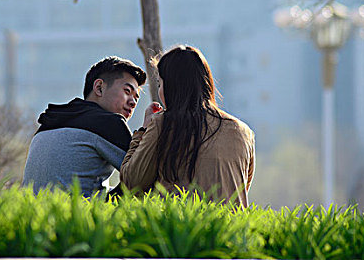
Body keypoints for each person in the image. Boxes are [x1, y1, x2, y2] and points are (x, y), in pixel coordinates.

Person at [120, 45, 255, 206]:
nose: (159, 91)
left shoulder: (163, 123)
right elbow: (238, 189)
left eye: (159, 84)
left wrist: (143, 131)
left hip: (182, 229)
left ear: (171, 87)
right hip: (229, 229)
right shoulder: (243, 131)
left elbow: (133, 183)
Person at [22, 56, 146, 197]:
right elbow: (143, 174)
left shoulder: (48, 123)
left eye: (136, 98)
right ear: (99, 88)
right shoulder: (107, 123)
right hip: (78, 215)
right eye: (127, 91)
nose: (133, 102)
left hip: (31, 213)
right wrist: (148, 131)